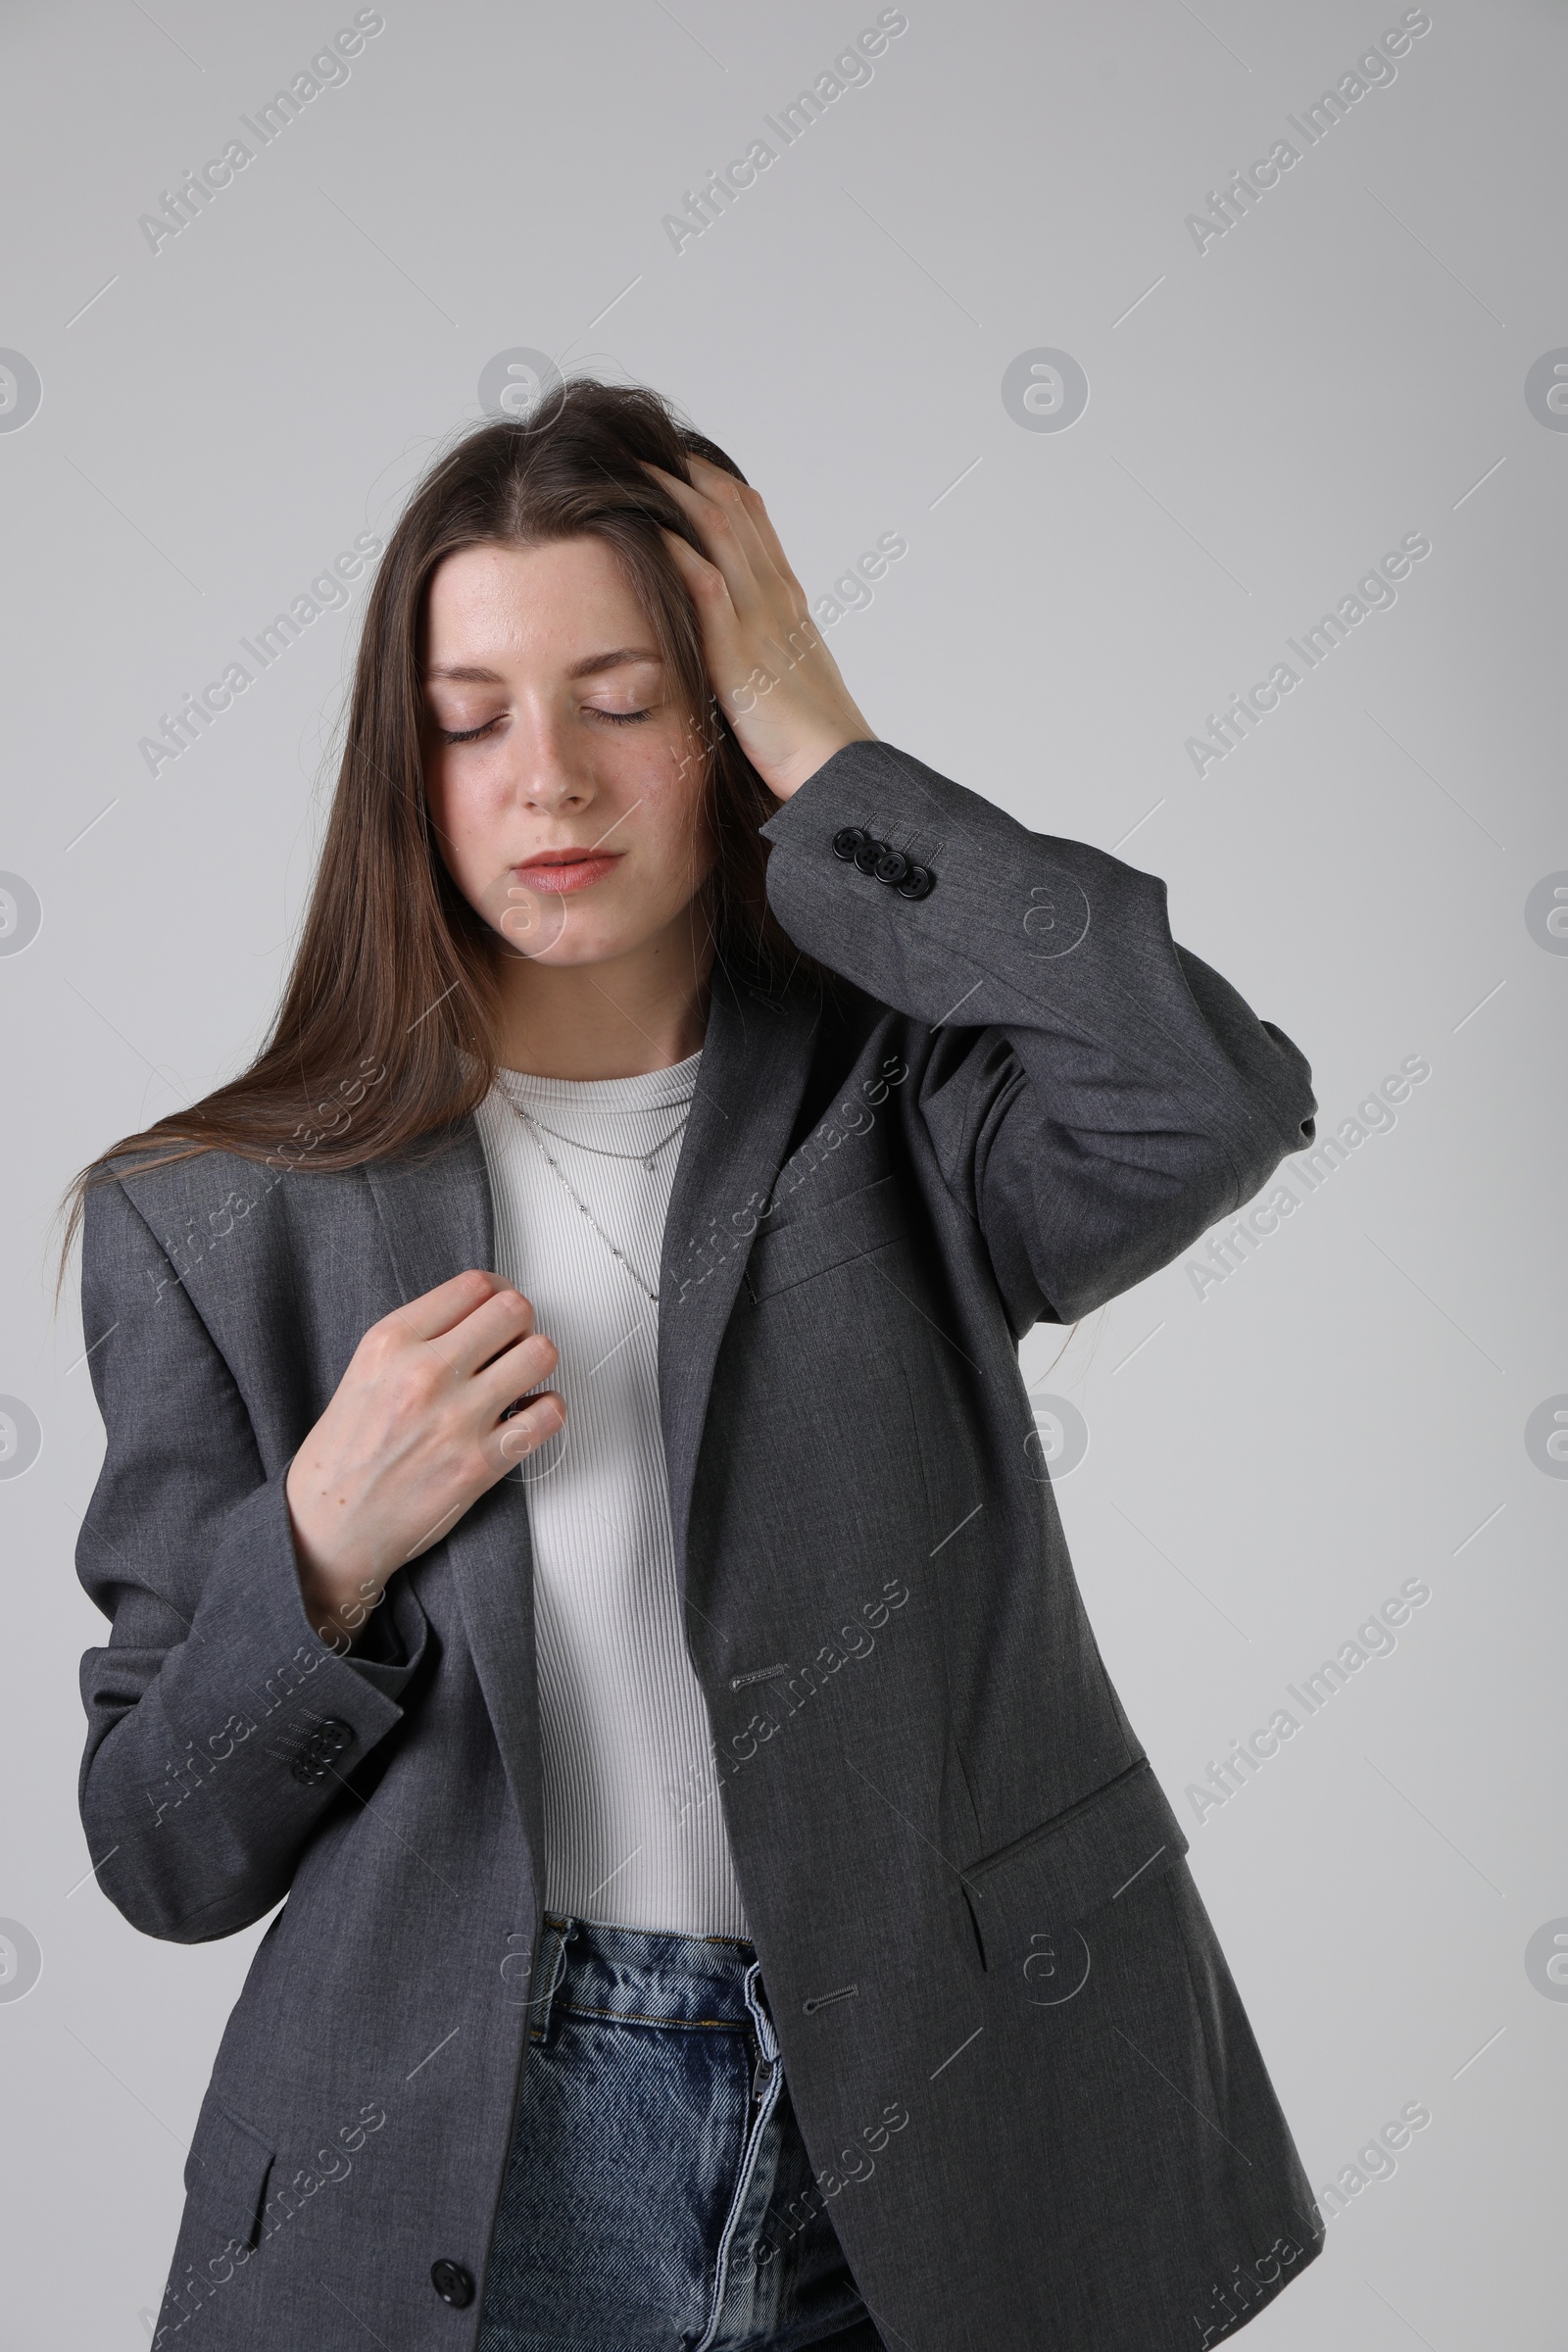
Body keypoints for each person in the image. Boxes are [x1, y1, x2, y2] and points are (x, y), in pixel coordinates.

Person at [64, 377, 1325, 2352]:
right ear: (404, 768)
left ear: (720, 718)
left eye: (624, 698)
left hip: (925, 2124)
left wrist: (834, 746)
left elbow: (1207, 1096)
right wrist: (314, 1550)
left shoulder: (904, 1112)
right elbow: (160, 1843)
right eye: (470, 720)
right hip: (465, 2158)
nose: (544, 778)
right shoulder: (215, 1216)